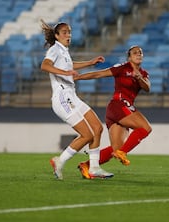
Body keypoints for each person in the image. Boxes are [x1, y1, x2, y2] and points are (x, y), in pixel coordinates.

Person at [40, 19, 113, 180]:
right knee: (87, 135)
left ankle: (94, 168)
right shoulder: (55, 49)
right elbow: (44, 66)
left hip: (72, 96)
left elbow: (70, 65)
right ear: (57, 36)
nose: (68, 35)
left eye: (70, 32)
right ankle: (59, 161)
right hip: (62, 98)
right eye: (65, 32)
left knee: (97, 129)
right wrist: (65, 73)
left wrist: (90, 62)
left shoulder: (64, 51)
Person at [74, 45, 152, 179]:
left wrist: (139, 78)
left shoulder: (143, 73)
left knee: (115, 149)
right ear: (129, 57)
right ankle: (123, 152)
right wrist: (79, 77)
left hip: (121, 109)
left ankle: (86, 165)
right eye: (135, 53)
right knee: (146, 128)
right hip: (118, 105)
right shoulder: (122, 68)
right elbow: (99, 73)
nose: (138, 54)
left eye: (140, 53)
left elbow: (147, 87)